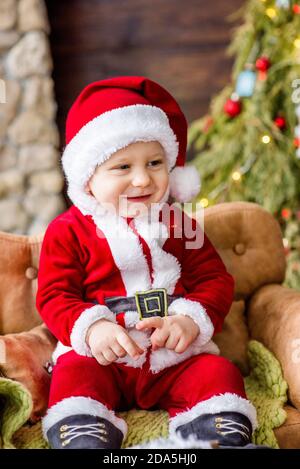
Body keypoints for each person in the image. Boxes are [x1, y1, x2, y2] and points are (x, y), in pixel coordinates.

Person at [36, 76, 259, 449]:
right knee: (73, 371)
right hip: (104, 357)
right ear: (88, 179)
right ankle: (84, 426)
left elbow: (214, 280)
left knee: (217, 370)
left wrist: (190, 319)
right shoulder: (68, 232)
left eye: (155, 163)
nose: (142, 179)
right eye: (122, 167)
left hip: (172, 358)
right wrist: (91, 329)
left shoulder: (177, 224)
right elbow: (54, 296)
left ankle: (213, 428)